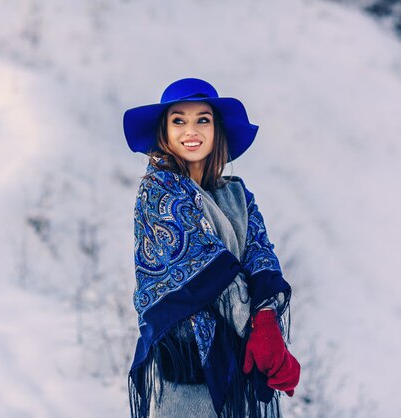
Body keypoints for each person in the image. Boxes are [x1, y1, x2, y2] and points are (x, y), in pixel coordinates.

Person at [123, 78, 300, 418]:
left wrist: (266, 323)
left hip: (238, 357)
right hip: (186, 362)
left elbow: (260, 255)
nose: (191, 130)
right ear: (165, 131)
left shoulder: (237, 194)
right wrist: (258, 332)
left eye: (202, 119)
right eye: (179, 120)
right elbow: (207, 269)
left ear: (216, 129)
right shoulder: (158, 189)